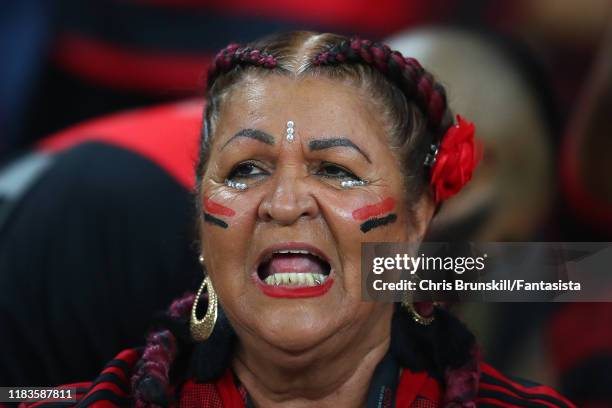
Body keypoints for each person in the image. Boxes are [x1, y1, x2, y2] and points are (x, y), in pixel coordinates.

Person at [22, 31, 573, 407]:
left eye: (335, 171)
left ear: (422, 208)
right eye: (246, 170)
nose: (284, 203)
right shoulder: (124, 208)